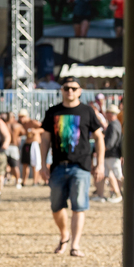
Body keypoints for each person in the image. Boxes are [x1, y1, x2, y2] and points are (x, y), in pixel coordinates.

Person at [40, 77, 105, 256]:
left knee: (79, 206)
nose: (70, 91)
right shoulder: (53, 111)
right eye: (67, 88)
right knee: (56, 206)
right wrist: (43, 164)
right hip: (58, 166)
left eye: (74, 88)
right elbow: (45, 139)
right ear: (61, 90)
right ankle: (64, 235)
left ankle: (75, 245)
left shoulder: (87, 111)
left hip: (81, 166)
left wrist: (100, 164)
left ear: (79, 91)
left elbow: (99, 138)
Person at [95, 104, 123, 203]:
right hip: (111, 154)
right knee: (108, 175)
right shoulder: (115, 124)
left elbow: (110, 142)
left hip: (112, 154)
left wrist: (102, 150)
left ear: (110, 114)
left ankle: (121, 194)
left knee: (118, 175)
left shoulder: (114, 125)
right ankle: (106, 194)